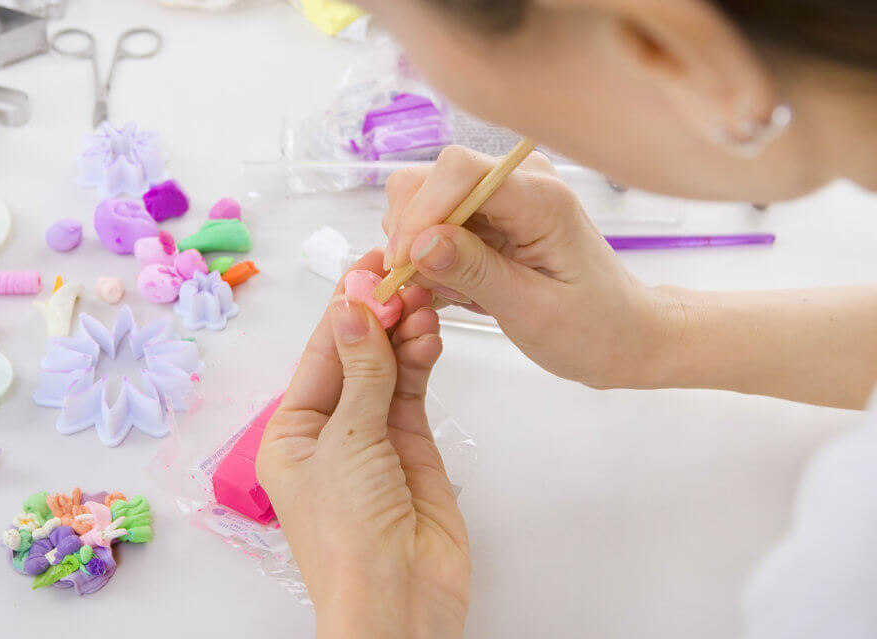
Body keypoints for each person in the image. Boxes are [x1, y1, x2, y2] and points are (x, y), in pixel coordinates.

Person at [256, 1, 877, 636]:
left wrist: (377, 610)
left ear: (656, 47)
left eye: (403, 40)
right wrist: (653, 336)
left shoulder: (846, 578)